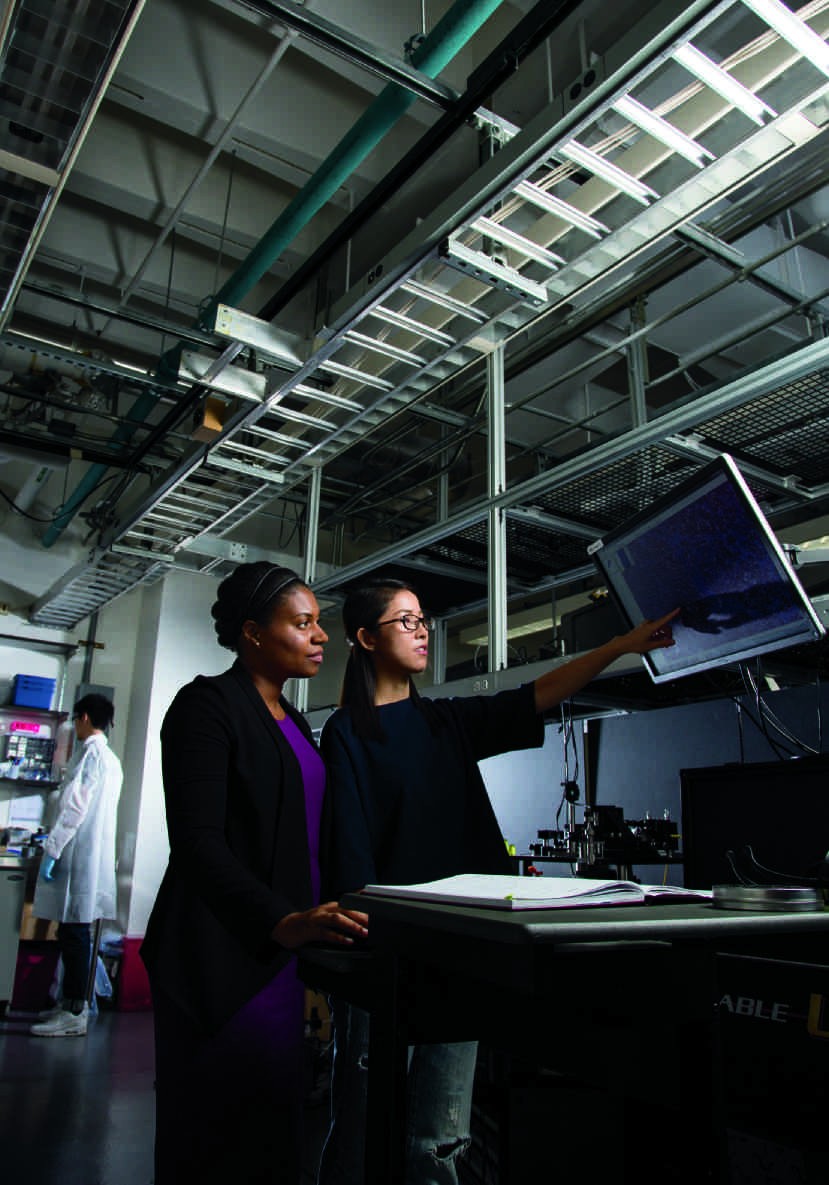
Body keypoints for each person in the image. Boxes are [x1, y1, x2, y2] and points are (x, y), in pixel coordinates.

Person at [317, 578, 677, 1185]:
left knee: (438, 1138)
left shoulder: (446, 723)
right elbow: (350, 859)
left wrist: (619, 645)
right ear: (364, 638)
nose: (422, 629)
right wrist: (351, 959)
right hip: (384, 956)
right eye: (405, 621)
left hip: (459, 954)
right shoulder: (347, 735)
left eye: (422, 619)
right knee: (362, 1123)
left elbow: (536, 695)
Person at [140, 562, 369, 1185]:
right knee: (215, 1139)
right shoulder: (206, 706)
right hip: (219, 957)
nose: (321, 635)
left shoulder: (294, 721)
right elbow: (196, 843)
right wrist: (283, 920)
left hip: (282, 958)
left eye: (321, 623)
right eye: (303, 623)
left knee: (272, 1137)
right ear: (252, 633)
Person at [30, 693, 123, 1039]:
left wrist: (52, 850)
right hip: (87, 856)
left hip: (79, 856)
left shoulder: (93, 756)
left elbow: (74, 808)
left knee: (75, 935)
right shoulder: (108, 758)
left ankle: (74, 1010)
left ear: (84, 718)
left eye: (76, 720)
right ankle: (69, 1005)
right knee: (74, 933)